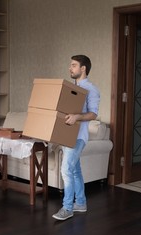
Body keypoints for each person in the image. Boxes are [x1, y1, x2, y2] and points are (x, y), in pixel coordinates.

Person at [52, 55, 100, 221]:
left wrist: (76, 117)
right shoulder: (72, 89)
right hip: (68, 135)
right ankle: (80, 203)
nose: (70, 68)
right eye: (70, 65)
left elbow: (93, 114)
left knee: (66, 170)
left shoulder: (91, 89)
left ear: (83, 68)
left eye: (73, 65)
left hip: (79, 137)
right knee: (75, 170)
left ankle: (67, 208)